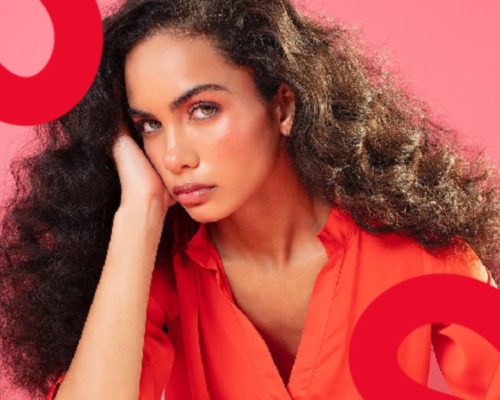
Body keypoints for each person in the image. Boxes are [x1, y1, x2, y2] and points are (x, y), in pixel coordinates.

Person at [0, 0, 499, 398]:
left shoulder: (420, 258)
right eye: (149, 125)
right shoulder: (160, 271)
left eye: (202, 109)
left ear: (282, 105)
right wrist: (139, 212)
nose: (173, 156)